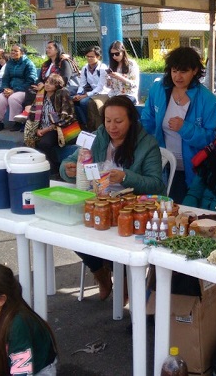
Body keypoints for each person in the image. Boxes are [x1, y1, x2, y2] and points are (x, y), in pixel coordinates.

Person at [60, 96, 165, 299]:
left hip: (130, 208)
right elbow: (70, 161)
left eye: (118, 121)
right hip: (98, 201)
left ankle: (123, 279)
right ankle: (101, 273)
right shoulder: (97, 136)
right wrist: (69, 170)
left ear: (131, 120)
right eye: (108, 120)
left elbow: (157, 185)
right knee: (73, 232)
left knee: (122, 238)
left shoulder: (147, 144)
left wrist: (126, 177)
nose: (112, 126)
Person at [140, 46, 216, 203]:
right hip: (162, 166)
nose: (177, 76)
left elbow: (215, 137)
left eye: (183, 71)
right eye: (174, 70)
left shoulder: (208, 100)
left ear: (195, 71)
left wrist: (185, 128)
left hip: (194, 171)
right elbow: (147, 121)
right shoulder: (159, 89)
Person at [24, 73, 76, 177]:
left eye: (51, 84)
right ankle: (45, 167)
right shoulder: (41, 94)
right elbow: (34, 114)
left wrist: (46, 130)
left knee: (45, 143)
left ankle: (55, 168)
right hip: (41, 127)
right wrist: (37, 129)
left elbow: (65, 117)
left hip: (57, 128)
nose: (47, 85)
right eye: (47, 82)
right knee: (29, 142)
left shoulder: (61, 94)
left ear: (57, 86)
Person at [14, 40, 80, 122]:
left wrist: (45, 85)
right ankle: (28, 114)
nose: (47, 50)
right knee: (31, 89)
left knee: (38, 93)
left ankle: (35, 118)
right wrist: (40, 83)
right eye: (46, 48)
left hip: (61, 88)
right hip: (47, 86)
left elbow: (64, 79)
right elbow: (39, 79)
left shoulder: (64, 62)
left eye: (50, 48)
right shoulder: (46, 64)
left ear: (57, 49)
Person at [84, 40, 140, 131]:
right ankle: (99, 130)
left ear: (123, 52)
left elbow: (134, 85)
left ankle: (121, 130)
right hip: (113, 94)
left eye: (117, 54)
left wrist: (119, 77)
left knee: (115, 106)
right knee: (92, 103)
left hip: (128, 94)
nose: (114, 56)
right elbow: (109, 86)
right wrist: (109, 80)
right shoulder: (112, 65)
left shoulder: (131, 64)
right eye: (112, 54)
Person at [0, 44, 38, 132]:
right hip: (10, 89)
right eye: (12, 50)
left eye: (15, 51)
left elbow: (30, 81)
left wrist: (14, 90)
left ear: (22, 53)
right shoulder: (10, 63)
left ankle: (17, 122)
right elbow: (5, 78)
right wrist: (5, 89)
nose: (12, 52)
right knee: (0, 98)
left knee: (13, 98)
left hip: (23, 90)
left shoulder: (28, 64)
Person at [72, 45, 109, 131]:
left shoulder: (102, 68)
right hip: (92, 92)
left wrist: (85, 95)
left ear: (98, 57)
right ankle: (84, 123)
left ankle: (90, 124)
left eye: (92, 57)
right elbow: (82, 84)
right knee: (75, 101)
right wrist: (79, 94)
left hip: (103, 93)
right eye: (87, 56)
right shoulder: (85, 68)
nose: (89, 59)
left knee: (84, 102)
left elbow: (100, 87)